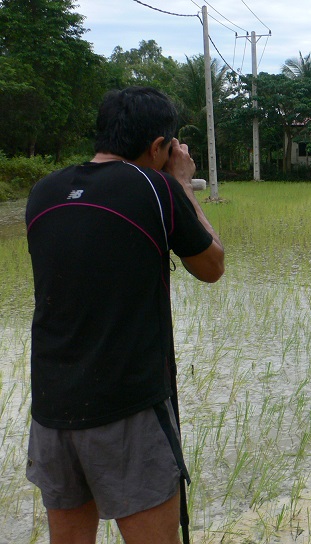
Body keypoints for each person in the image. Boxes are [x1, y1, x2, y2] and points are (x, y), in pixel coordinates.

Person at [25, 87, 224, 544]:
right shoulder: (152, 187)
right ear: (160, 147)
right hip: (127, 409)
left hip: (53, 412)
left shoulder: (44, 192)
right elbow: (212, 265)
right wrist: (181, 183)